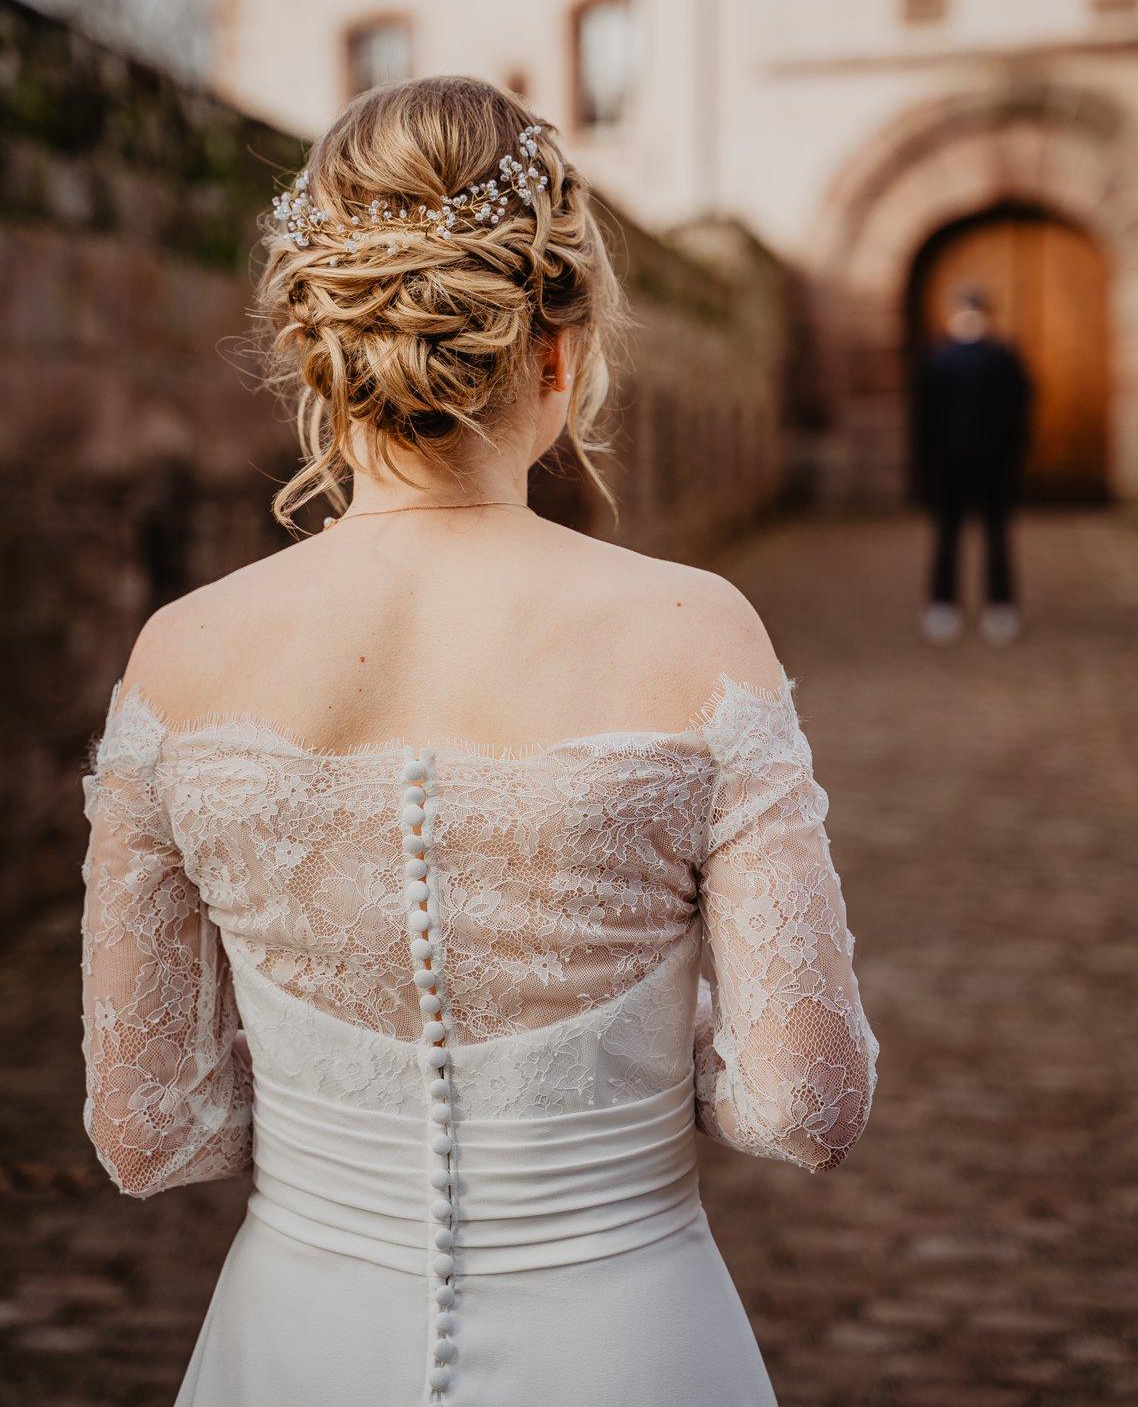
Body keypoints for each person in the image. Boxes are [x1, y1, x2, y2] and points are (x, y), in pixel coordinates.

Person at [80, 77, 877, 1407]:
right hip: (630, 1341)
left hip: (299, 1343)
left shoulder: (181, 656)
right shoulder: (694, 631)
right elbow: (803, 1108)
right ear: (559, 352)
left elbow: (148, 1131)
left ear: (318, 350)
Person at [916, 286, 1033, 646]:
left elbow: (924, 416)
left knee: (956, 534)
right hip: (988, 461)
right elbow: (1021, 411)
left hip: (960, 461)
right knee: (985, 534)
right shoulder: (1001, 356)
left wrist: (928, 458)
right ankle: (995, 608)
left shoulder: (942, 356)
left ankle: (948, 606)